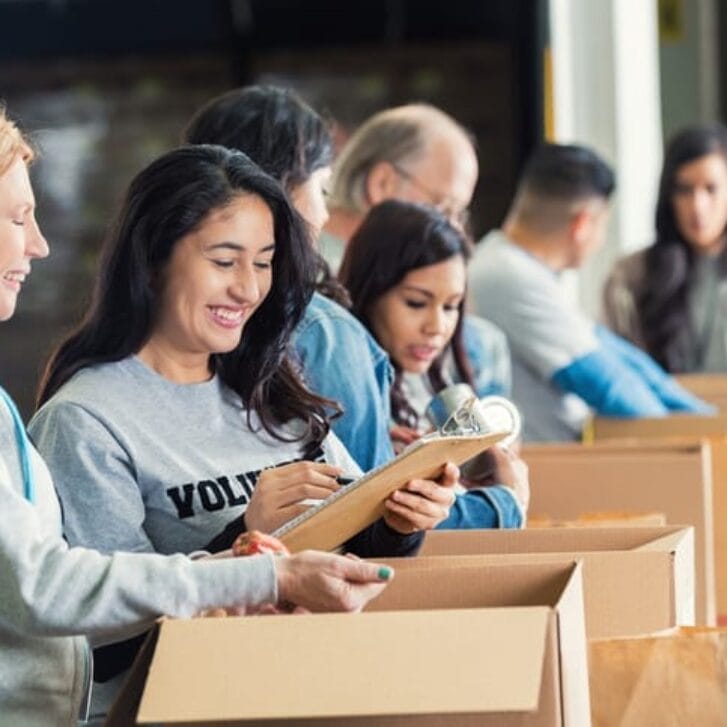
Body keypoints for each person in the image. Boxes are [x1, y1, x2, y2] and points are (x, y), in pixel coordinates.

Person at [29, 144, 456, 718]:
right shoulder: (86, 420)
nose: (249, 290)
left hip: (314, 691)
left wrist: (400, 519)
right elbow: (103, 645)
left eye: (264, 262)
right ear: (153, 259)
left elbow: (355, 549)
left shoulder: (270, 387)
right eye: (225, 262)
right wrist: (242, 538)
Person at [182, 84, 393, 472]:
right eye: (322, 188)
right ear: (282, 188)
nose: (325, 214)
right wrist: (501, 500)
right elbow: (375, 506)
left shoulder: (165, 323)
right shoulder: (323, 331)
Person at [468, 143, 711, 442]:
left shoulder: (520, 269)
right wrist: (695, 433)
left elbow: (615, 354)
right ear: (583, 224)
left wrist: (704, 416)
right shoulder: (507, 277)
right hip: (546, 471)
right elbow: (610, 386)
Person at [339, 199, 529, 527]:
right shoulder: (343, 386)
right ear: (369, 291)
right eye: (416, 303)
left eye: (451, 306)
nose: (437, 327)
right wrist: (503, 503)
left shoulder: (433, 383)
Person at [324, 102, 511, 397]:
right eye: (444, 207)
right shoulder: (316, 280)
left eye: (459, 215)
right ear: (382, 184)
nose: (454, 230)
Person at [603, 123, 727, 373]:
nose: (698, 206)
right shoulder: (631, 278)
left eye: (710, 189)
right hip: (660, 412)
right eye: (684, 190)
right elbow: (618, 373)